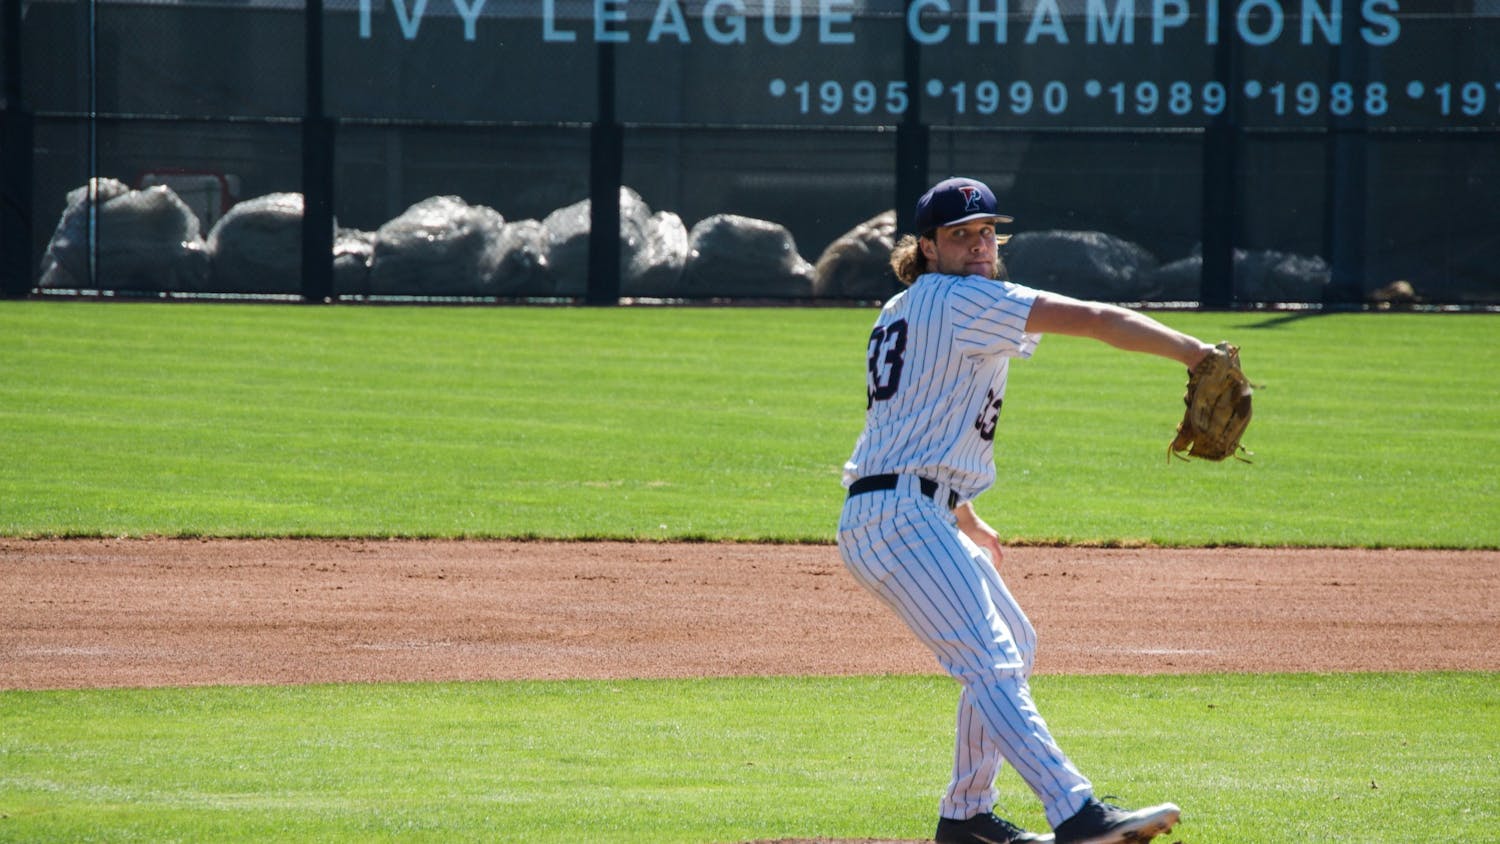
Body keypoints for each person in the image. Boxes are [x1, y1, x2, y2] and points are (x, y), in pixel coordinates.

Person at [838, 177, 1208, 844]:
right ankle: (1076, 811)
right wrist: (1197, 353)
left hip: (898, 507)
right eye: (960, 235)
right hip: (897, 515)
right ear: (928, 246)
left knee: (1012, 643)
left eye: (986, 233)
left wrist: (961, 513)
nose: (979, 245)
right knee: (990, 661)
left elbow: (909, 423)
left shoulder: (903, 306)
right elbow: (1097, 319)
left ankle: (967, 820)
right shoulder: (961, 299)